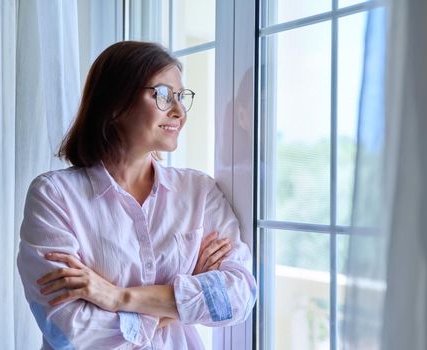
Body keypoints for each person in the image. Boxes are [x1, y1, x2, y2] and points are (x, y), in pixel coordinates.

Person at [17, 41, 256, 350]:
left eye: (181, 98)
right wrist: (182, 298)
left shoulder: (199, 191)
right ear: (115, 103)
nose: (179, 111)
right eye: (163, 95)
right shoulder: (53, 196)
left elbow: (238, 296)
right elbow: (71, 332)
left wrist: (117, 297)